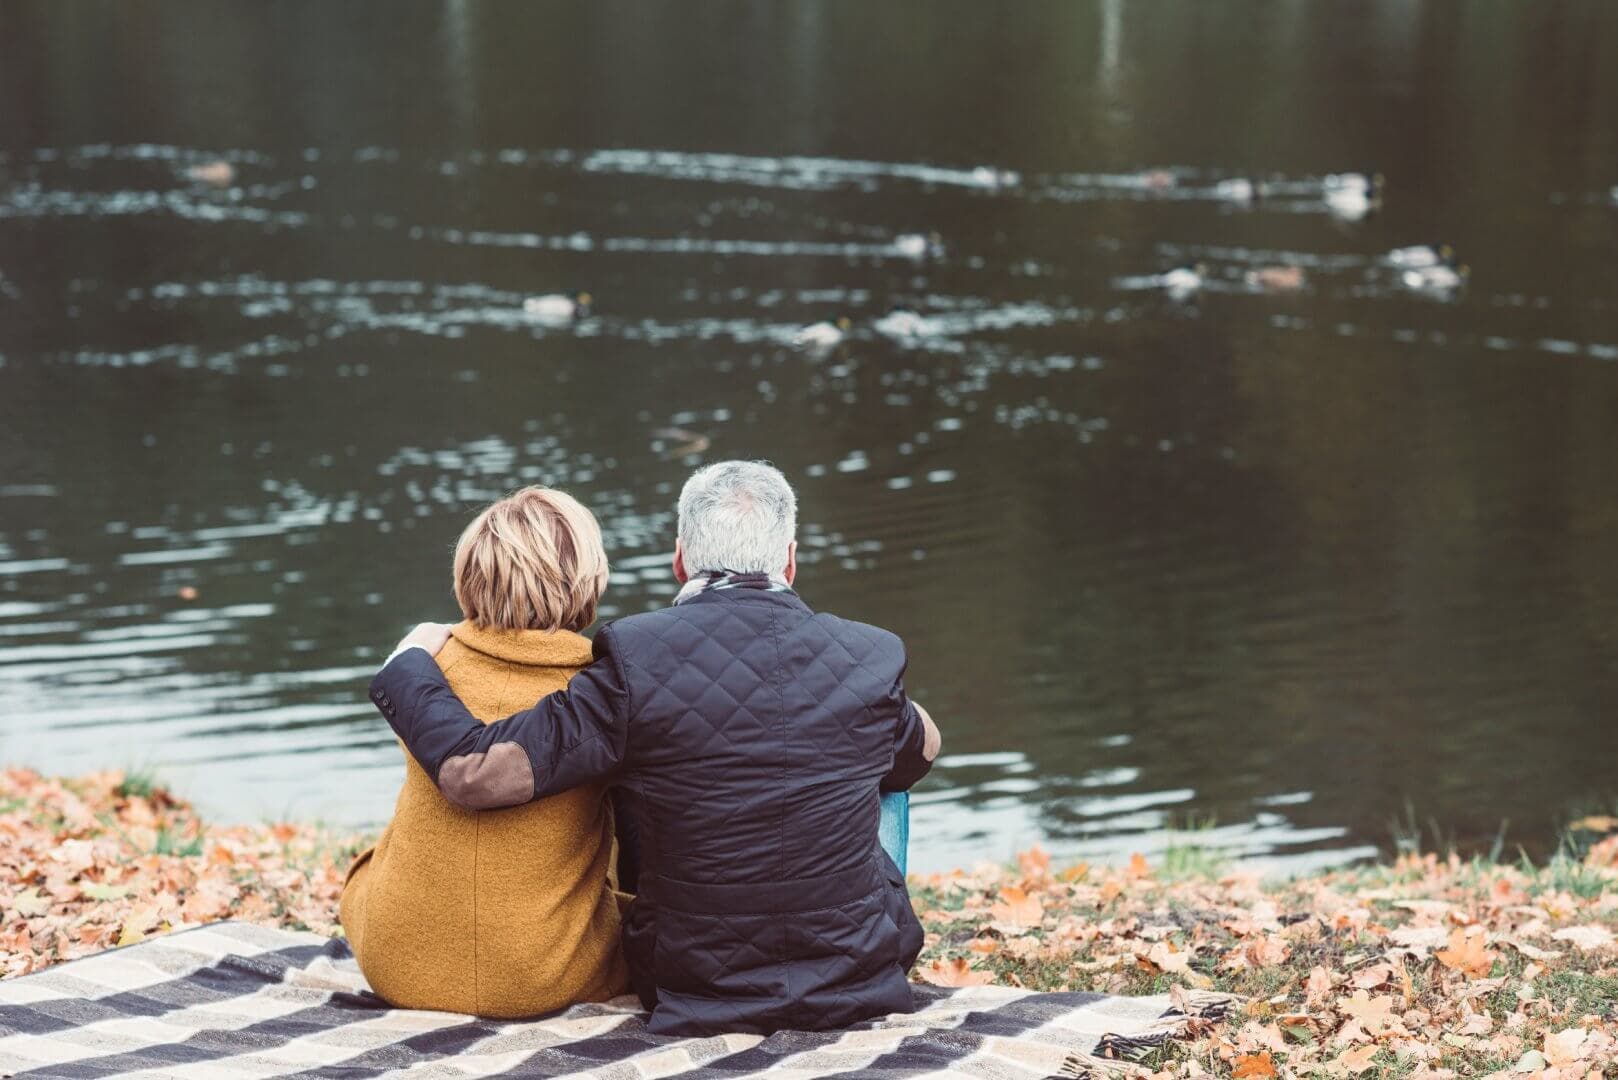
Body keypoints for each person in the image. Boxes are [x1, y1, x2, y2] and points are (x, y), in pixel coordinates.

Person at [371, 460, 941, 1036]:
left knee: (641, 772)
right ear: (789, 560)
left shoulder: (634, 658)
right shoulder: (869, 655)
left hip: (693, 980)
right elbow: (920, 755)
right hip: (862, 976)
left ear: (679, 560)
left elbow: (481, 773)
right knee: (888, 778)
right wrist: (872, 698)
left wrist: (408, 662)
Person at [341, 487, 628, 1018]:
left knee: (367, 869)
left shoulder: (423, 668)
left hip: (397, 963)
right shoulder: (603, 691)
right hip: (543, 977)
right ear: (588, 578)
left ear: (469, 575)